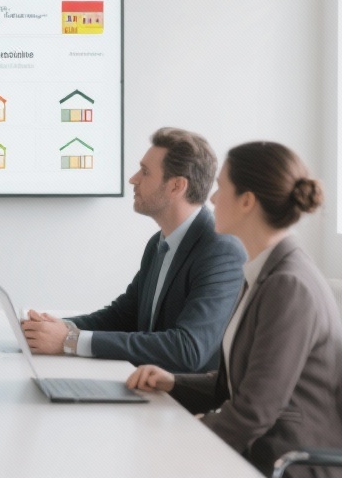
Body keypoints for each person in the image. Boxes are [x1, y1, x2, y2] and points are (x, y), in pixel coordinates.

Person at [126, 141, 342, 477]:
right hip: (268, 449)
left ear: (247, 201)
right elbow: (238, 385)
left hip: (295, 461)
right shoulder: (263, 271)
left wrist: (186, 437)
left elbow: (254, 410)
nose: (210, 198)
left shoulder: (289, 285)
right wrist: (173, 382)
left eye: (221, 187)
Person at [22, 127, 247, 372]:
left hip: (183, 404)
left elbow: (188, 349)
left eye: (145, 172)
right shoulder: (158, 243)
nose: (133, 178)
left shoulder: (221, 250)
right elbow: (124, 316)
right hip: (146, 388)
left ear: (176, 186)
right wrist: (56, 328)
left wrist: (69, 341)